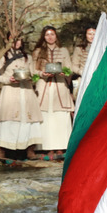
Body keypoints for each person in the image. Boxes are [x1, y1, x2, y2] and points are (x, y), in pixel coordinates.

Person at [0, 35, 41, 161]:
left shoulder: (28, 57)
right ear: (7, 40)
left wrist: (33, 77)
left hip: (27, 91)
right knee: (8, 119)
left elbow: (33, 73)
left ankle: (30, 150)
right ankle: (2, 150)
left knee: (29, 119)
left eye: (18, 39)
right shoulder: (3, 56)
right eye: (13, 39)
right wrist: (8, 79)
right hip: (10, 91)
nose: (16, 42)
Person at [33, 25, 73, 160]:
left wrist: (64, 72)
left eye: (52, 34)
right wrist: (41, 73)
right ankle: (46, 148)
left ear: (56, 36)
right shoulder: (38, 51)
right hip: (44, 86)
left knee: (61, 116)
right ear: (43, 37)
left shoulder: (64, 51)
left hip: (60, 86)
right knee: (46, 117)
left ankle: (61, 147)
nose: (50, 37)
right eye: (47, 35)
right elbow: (33, 70)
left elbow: (70, 68)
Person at [69, 25, 95, 98]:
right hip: (83, 78)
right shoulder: (79, 48)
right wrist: (81, 72)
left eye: (94, 34)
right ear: (85, 35)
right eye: (89, 34)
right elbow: (74, 65)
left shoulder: (103, 48)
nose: (92, 36)